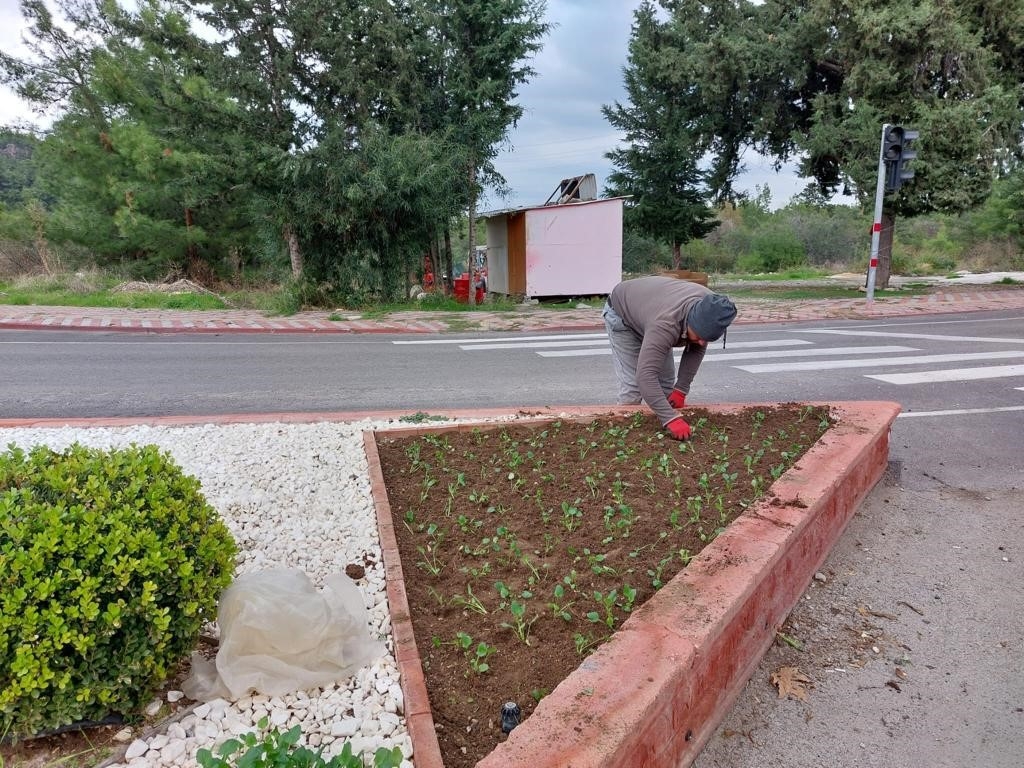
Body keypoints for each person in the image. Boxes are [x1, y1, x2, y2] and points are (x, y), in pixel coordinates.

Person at [602, 275, 737, 440]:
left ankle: (664, 421)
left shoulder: (711, 311)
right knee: (633, 387)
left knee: (667, 384)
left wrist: (681, 389)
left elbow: (696, 348)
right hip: (622, 315)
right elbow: (645, 376)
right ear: (690, 322)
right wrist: (670, 419)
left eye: (706, 339)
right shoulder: (666, 324)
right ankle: (621, 433)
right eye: (700, 336)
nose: (702, 342)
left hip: (652, 311)